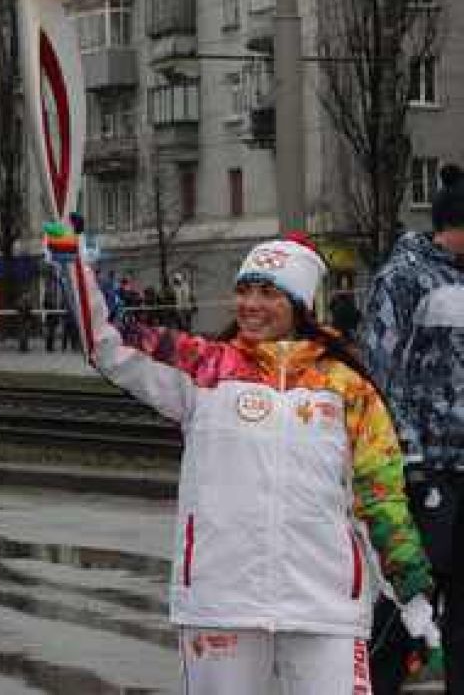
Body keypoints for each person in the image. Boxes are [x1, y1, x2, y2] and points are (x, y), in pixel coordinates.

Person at [51, 222, 438, 692]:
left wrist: (412, 591)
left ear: (298, 304)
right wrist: (75, 270)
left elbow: (380, 496)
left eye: (269, 293)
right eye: (245, 290)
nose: (251, 304)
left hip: (325, 604)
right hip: (223, 598)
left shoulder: (346, 386)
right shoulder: (206, 368)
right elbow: (109, 343)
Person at [362, 163, 464, 692]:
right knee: (413, 595)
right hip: (427, 472)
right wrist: (408, 457)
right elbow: (378, 376)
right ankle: (371, 683)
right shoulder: (403, 278)